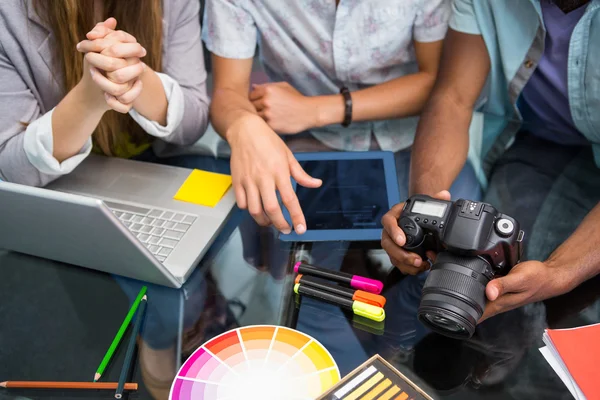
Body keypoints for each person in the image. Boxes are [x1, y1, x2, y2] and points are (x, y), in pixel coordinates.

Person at [381, 0, 600, 321]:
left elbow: (558, 275)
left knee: (566, 314)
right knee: (502, 277)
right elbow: (453, 98)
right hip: (536, 142)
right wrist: (427, 212)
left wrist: (560, 273)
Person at [203, 0, 482, 238]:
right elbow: (228, 92)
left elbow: (437, 82)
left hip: (415, 139)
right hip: (308, 144)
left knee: (455, 246)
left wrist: (315, 111)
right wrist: (244, 124)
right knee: (287, 249)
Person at [0, 0, 222, 187]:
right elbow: (11, 170)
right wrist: (88, 100)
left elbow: (194, 123)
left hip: (156, 170)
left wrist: (137, 76)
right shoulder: (8, 13)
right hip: (60, 185)